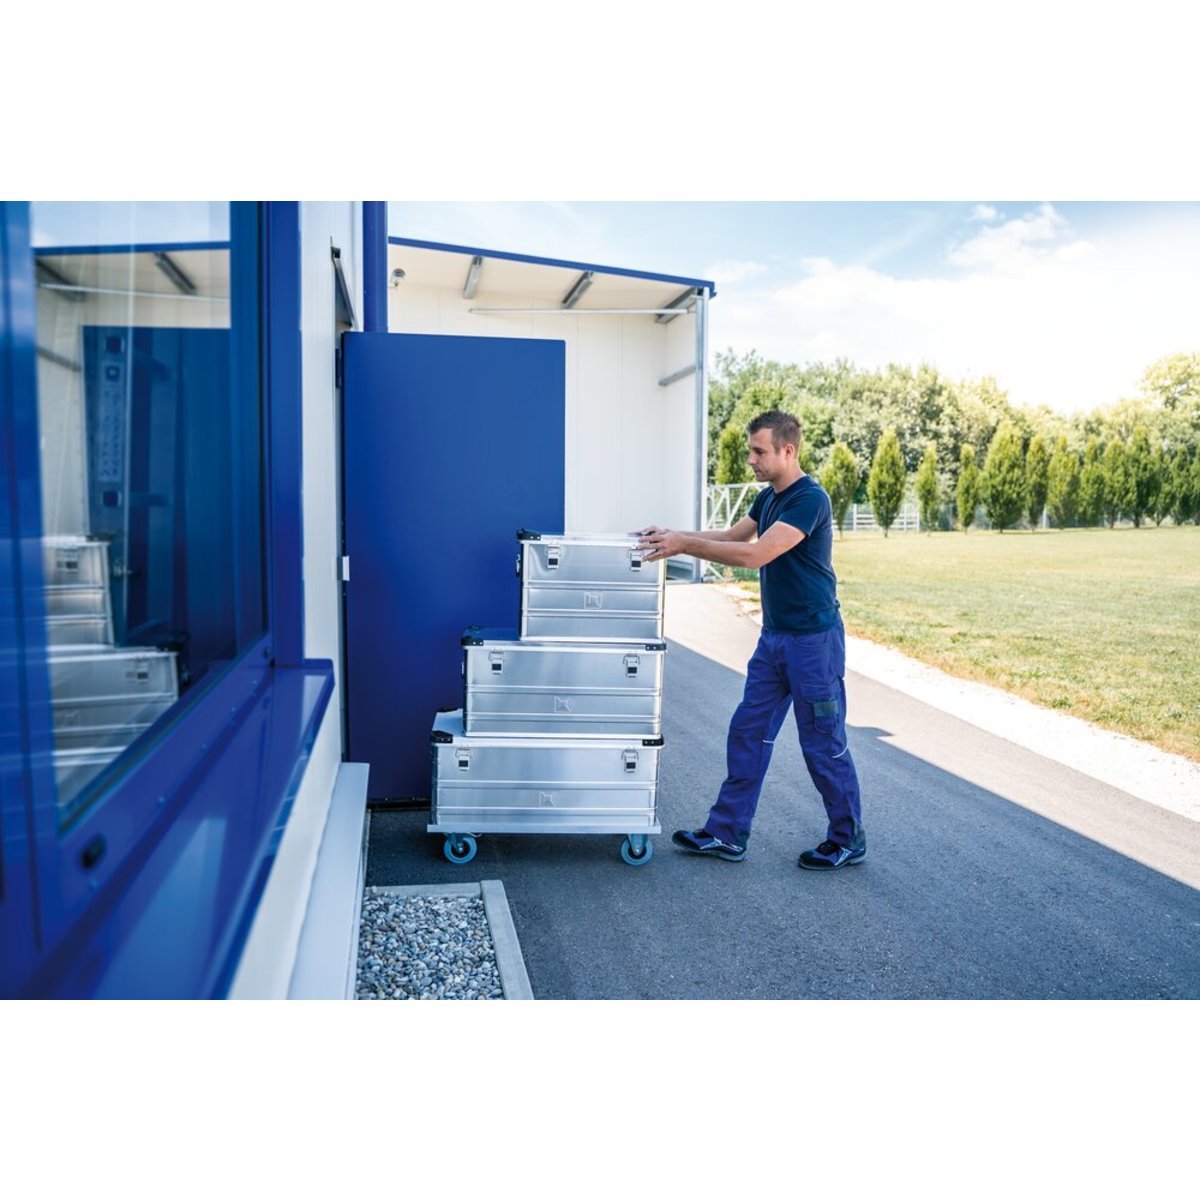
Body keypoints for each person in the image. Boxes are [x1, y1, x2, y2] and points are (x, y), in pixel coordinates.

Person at [636, 409, 865, 870]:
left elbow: (756, 554)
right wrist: (672, 536)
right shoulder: (767, 499)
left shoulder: (810, 499)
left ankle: (847, 838)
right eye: (751, 451)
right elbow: (730, 536)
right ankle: (726, 833)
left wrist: (684, 545)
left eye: (759, 452)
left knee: (821, 741)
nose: (751, 460)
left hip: (813, 643)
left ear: (788, 450)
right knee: (748, 731)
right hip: (774, 639)